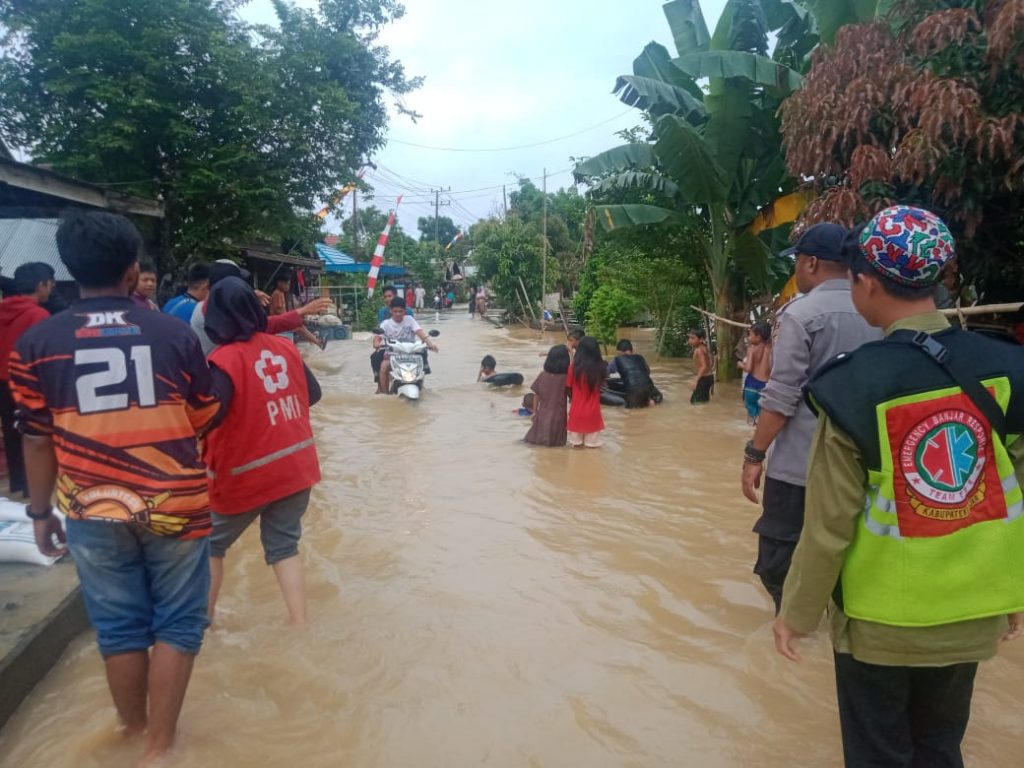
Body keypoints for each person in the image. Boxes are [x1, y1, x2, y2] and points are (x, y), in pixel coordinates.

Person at [773, 205, 1024, 766]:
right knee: (939, 747)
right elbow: (1015, 493)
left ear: (865, 282)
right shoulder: (1005, 370)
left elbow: (828, 526)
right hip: (973, 611)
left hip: (879, 627)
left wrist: (797, 614)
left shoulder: (852, 385)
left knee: (878, 755)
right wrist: (1016, 592)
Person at [11, 211, 229, 762]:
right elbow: (204, 415)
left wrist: (40, 514)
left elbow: (35, 441)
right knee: (178, 624)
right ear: (134, 272)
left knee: (118, 626)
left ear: (69, 270)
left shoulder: (37, 343)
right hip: (174, 502)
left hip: (90, 505)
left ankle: (131, 734)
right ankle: (161, 746)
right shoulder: (175, 334)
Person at [741, 223, 881, 613]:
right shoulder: (879, 310)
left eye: (798, 263)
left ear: (812, 262)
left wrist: (754, 455)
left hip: (800, 465)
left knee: (779, 559)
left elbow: (782, 395)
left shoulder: (800, 315)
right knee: (848, 552)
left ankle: (791, 631)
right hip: (868, 464)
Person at [202, 277, 322, 625]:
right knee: (284, 547)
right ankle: (299, 622)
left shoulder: (221, 361)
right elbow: (312, 395)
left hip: (245, 476)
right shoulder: (284, 348)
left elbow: (207, 417)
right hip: (297, 468)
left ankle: (202, 626)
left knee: (209, 544)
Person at [192, 261, 330, 356]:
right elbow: (262, 325)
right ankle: (316, 341)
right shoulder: (217, 313)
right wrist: (302, 311)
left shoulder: (206, 307)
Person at [0, 262, 54, 497]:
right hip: (28, 384)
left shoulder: (2, 309)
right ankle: (33, 490)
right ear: (40, 285)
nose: (51, 289)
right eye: (50, 284)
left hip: (2, 382)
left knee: (11, 434)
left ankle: (17, 484)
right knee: (33, 434)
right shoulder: (39, 315)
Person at [374, 298, 439, 394]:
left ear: (405, 310)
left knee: (422, 361)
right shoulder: (386, 324)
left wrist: (430, 344)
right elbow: (377, 338)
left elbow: (420, 333)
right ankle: (385, 393)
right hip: (393, 354)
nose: (398, 314)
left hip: (411, 353)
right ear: (390, 310)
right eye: (395, 311)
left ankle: (420, 385)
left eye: (401, 311)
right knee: (384, 367)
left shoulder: (410, 320)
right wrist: (377, 343)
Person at [525, 344, 570, 447]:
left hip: (542, 414)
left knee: (537, 442)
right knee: (556, 444)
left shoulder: (542, 375)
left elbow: (537, 395)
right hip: (559, 416)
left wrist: (534, 412)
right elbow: (571, 396)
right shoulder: (566, 378)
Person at [566, 336, 606, 448]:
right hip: (593, 414)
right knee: (592, 450)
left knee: (576, 449)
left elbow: (568, 389)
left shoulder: (573, 368)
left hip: (576, 413)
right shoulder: (601, 368)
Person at [269, 271, 326, 349]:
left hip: (280, 320)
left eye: (289, 284)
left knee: (299, 325)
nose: (288, 286)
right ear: (279, 283)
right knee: (298, 326)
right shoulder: (278, 294)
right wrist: (290, 318)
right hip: (278, 322)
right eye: (286, 284)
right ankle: (316, 341)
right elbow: (279, 312)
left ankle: (315, 340)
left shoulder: (280, 293)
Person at [606, 339, 660, 408]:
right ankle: (650, 401)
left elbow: (605, 373)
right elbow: (648, 372)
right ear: (632, 350)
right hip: (649, 388)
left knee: (631, 413)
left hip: (634, 392)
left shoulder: (617, 360)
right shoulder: (640, 357)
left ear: (619, 352)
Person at [738, 322, 772, 424]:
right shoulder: (770, 349)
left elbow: (748, 369)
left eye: (750, 334)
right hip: (766, 386)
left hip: (752, 385)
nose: (748, 337)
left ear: (758, 337)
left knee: (751, 411)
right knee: (762, 414)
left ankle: (751, 431)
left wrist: (740, 364)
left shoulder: (752, 350)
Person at [688, 329, 714, 404]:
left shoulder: (698, 350)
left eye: (693, 338)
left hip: (703, 379)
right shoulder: (704, 348)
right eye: (689, 338)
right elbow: (711, 362)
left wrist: (695, 380)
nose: (690, 340)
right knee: (704, 401)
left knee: (695, 403)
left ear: (701, 339)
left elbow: (704, 366)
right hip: (709, 377)